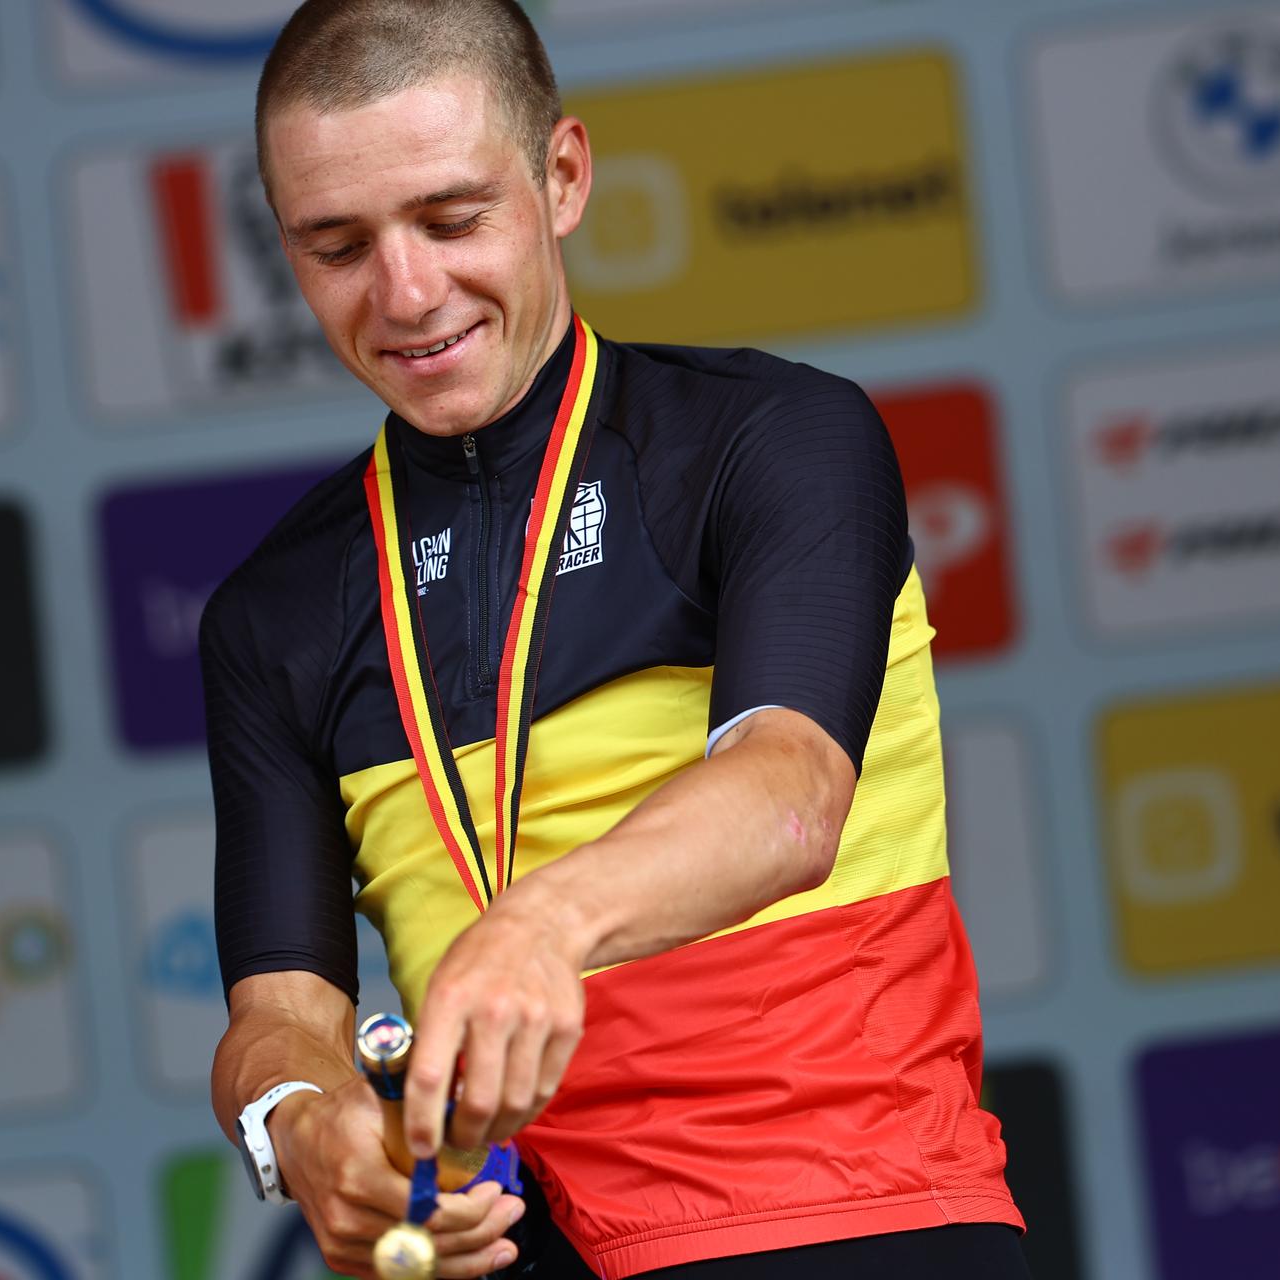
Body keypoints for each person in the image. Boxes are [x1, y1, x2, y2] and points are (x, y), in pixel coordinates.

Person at [204, 2, 1030, 1276]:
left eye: (451, 217)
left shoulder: (777, 440)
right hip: (500, 1247)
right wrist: (300, 1124)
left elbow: (791, 790)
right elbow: (281, 1008)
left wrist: (543, 924)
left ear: (565, 176)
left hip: (844, 1216)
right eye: (337, 244)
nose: (408, 290)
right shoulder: (275, 608)